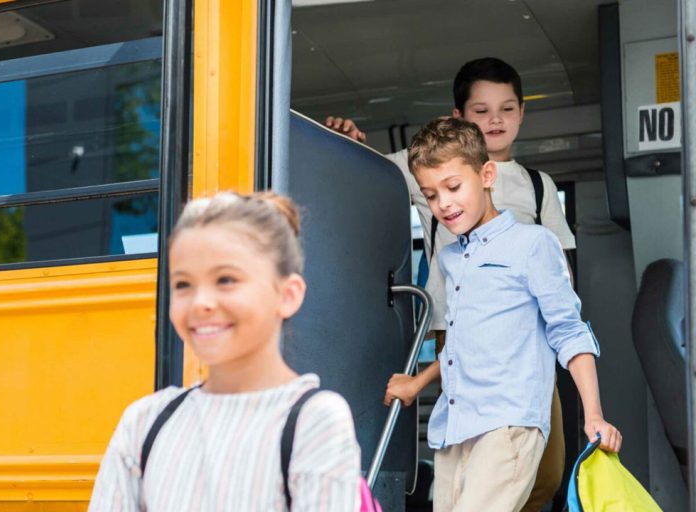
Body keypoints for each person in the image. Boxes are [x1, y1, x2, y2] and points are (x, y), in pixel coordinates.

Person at [326, 57, 573, 511]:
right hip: (458, 327)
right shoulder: (429, 168)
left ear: (522, 113)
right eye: (481, 111)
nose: (495, 120)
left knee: (546, 467)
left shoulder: (539, 186)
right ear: (459, 117)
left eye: (507, 109)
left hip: (525, 339)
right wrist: (349, 144)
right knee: (470, 453)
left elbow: (560, 272)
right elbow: (370, 175)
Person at [383, 116, 621, 512]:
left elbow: (569, 332)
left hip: (507, 425)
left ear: (487, 174)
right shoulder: (451, 258)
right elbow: (462, 346)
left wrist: (593, 415)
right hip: (454, 429)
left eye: (453, 187)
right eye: (429, 195)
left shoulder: (533, 245)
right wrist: (416, 383)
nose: (443, 203)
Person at [88, 192, 361, 511]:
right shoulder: (144, 421)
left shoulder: (314, 420)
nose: (201, 302)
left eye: (226, 279)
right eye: (182, 284)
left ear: (288, 295)